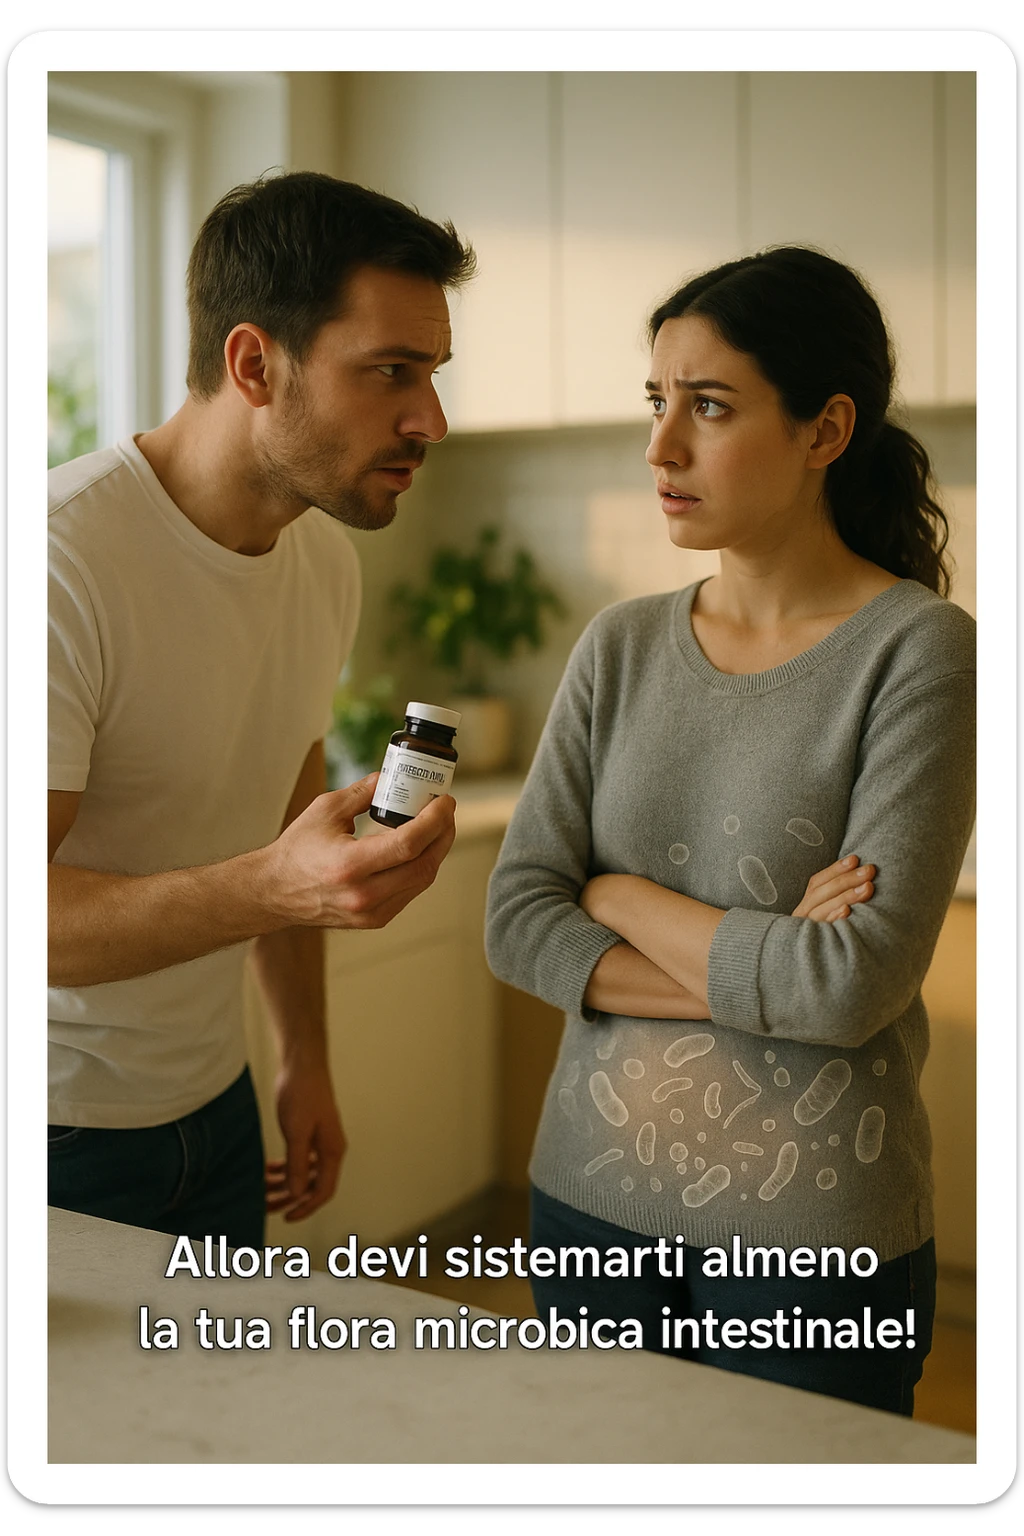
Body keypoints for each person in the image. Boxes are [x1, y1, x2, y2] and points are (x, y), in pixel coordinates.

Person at [485, 247, 975, 1415]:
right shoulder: (618, 645)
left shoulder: (919, 653)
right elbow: (514, 923)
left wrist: (613, 899)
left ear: (824, 429)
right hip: (586, 1210)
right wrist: (768, 966)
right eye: (658, 403)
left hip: (814, 1249)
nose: (661, 447)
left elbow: (850, 987)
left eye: (708, 407)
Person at [48, 171, 476, 1250]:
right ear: (253, 363)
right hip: (54, 1133)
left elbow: (285, 819)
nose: (428, 418)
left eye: (430, 374)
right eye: (390, 372)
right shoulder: (59, 564)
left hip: (219, 1108)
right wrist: (274, 887)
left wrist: (304, 1055)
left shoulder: (321, 561)